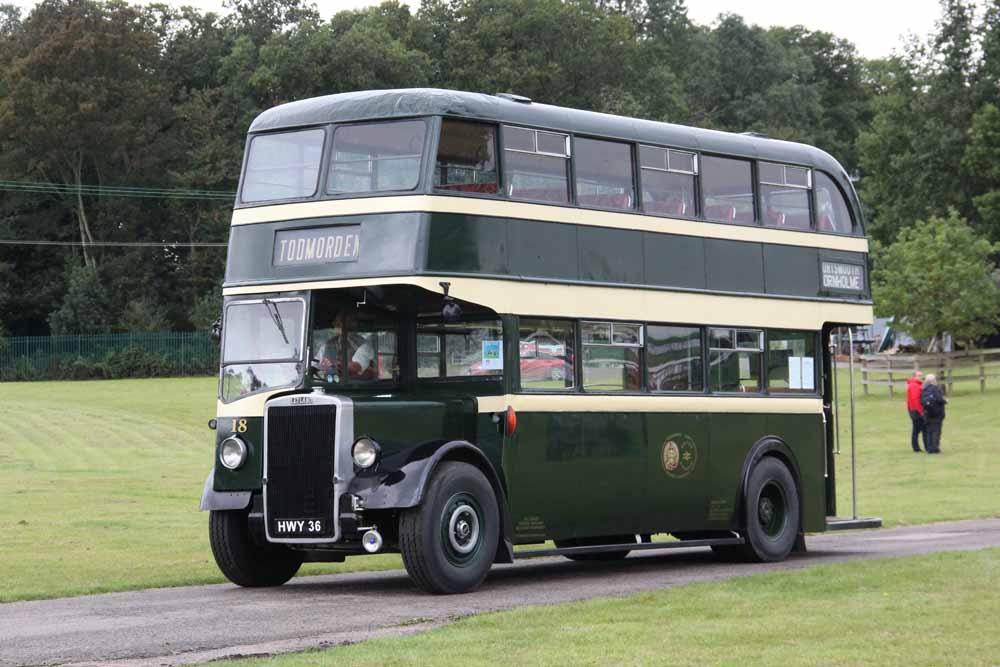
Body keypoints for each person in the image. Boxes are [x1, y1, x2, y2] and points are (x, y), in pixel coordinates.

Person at [920, 374, 948, 454]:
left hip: (927, 413)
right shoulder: (935, 388)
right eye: (935, 379)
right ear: (932, 380)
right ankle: (935, 448)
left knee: (929, 431)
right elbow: (939, 399)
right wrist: (945, 401)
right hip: (937, 413)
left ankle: (929, 448)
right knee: (936, 431)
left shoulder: (924, 389)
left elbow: (921, 401)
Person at [906, 370, 927, 452]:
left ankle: (916, 447)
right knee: (920, 429)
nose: (921, 377)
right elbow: (915, 400)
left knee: (916, 429)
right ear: (914, 376)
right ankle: (919, 447)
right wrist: (921, 411)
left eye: (921, 375)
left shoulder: (917, 384)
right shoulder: (914, 385)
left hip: (913, 409)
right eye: (919, 375)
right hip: (916, 410)